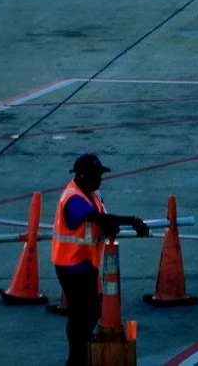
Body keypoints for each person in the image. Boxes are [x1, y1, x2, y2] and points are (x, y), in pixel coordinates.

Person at [51, 154, 150, 366]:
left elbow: (102, 218)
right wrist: (132, 221)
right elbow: (96, 218)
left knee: (92, 311)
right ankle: (76, 358)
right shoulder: (73, 199)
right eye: (97, 176)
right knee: (79, 314)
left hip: (86, 263)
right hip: (71, 265)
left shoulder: (92, 194)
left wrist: (110, 225)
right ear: (83, 176)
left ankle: (81, 352)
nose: (101, 180)